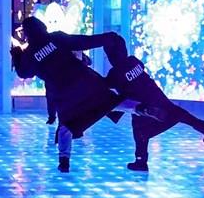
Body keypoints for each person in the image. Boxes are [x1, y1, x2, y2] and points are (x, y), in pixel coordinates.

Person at [11, 17, 134, 173]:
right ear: (42, 26)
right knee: (109, 101)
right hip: (84, 80)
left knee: (66, 125)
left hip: (63, 92)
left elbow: (24, 73)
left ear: (27, 33)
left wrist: (17, 56)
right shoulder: (56, 38)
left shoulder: (29, 54)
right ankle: (141, 109)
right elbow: (83, 42)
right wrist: (107, 38)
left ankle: (64, 161)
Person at [96, 31, 204, 172]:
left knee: (141, 132)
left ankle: (141, 162)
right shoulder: (134, 60)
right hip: (155, 94)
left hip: (142, 105)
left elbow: (106, 85)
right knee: (174, 112)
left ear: (110, 55)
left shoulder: (115, 73)